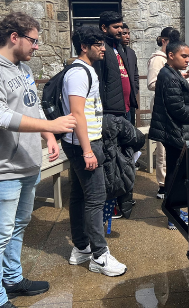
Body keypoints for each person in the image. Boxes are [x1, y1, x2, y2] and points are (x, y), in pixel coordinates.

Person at [0, 12, 77, 308]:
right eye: (33, 40)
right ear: (14, 37)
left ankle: (12, 280)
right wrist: (53, 126)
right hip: (0, 169)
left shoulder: (22, 69)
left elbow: (34, 106)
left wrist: (48, 136)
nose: (37, 46)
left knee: (17, 226)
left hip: (27, 165)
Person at [62, 25, 127, 276]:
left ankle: (81, 248)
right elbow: (77, 113)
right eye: (98, 44)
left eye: (103, 43)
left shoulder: (86, 70)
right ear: (84, 47)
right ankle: (99, 256)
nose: (103, 48)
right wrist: (88, 150)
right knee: (96, 199)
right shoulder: (78, 73)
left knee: (80, 195)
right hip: (84, 144)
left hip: (84, 142)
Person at [149, 36, 189, 229]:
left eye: (188, 56)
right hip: (175, 133)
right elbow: (179, 109)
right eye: (184, 56)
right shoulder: (169, 76)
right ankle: (173, 216)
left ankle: (175, 214)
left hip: (174, 131)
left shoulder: (171, 73)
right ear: (170, 55)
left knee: (176, 173)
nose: (187, 60)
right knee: (175, 175)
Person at [147, 27, 178, 199]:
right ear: (164, 41)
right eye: (170, 42)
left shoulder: (174, 56)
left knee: (173, 145)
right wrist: (171, 82)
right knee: (162, 147)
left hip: (174, 104)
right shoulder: (157, 60)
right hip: (161, 105)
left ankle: (172, 180)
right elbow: (151, 83)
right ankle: (162, 184)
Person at [95, 11, 138, 122]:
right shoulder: (100, 49)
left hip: (127, 107)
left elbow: (132, 74)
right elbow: (99, 81)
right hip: (111, 111)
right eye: (116, 27)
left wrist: (134, 90)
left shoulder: (119, 47)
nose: (120, 30)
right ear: (104, 28)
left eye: (121, 27)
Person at [121, 23, 140, 124]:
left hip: (130, 100)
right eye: (124, 34)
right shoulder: (111, 52)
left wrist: (135, 89)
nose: (127, 36)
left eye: (128, 33)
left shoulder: (131, 53)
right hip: (118, 104)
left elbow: (135, 74)